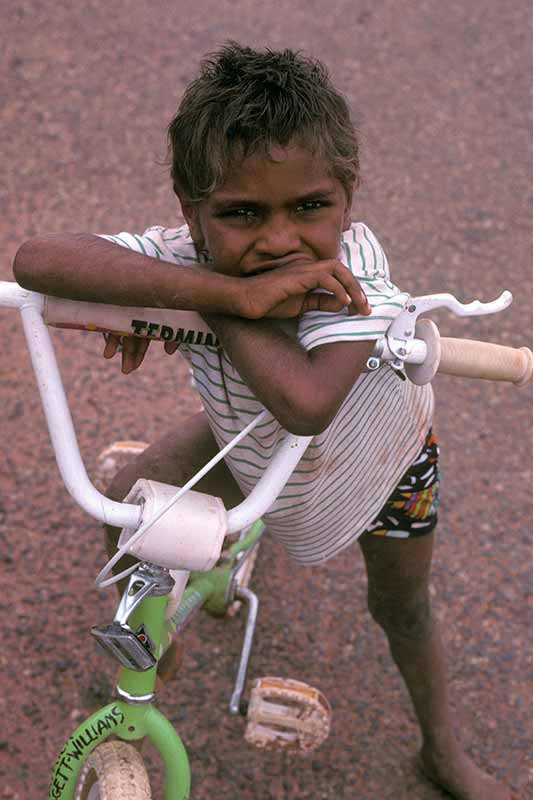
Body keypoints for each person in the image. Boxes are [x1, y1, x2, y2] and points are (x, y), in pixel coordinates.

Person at [13, 43, 515, 800]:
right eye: (241, 213)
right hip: (242, 442)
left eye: (309, 207)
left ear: (347, 198)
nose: (279, 240)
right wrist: (210, 286)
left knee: (401, 607)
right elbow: (36, 259)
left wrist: (208, 296)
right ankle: (154, 645)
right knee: (125, 497)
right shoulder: (190, 254)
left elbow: (306, 404)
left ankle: (441, 751)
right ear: (191, 212)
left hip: (374, 465)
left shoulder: (358, 279)